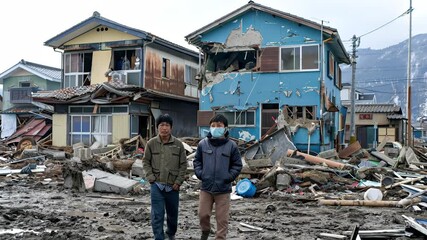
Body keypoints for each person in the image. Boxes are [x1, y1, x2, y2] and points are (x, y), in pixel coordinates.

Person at [193, 114, 243, 240]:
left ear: (225, 128)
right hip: (206, 187)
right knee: (203, 214)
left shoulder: (232, 146)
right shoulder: (202, 144)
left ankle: (220, 238)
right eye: (213, 125)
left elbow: (237, 165)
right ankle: (205, 231)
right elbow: (197, 162)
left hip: (223, 189)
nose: (216, 128)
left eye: (219, 125)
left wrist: (228, 176)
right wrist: (201, 174)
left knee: (222, 220)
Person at [142, 114, 187, 240]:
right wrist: (150, 177)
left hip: (173, 186)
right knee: (157, 215)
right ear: (157, 128)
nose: (164, 128)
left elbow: (183, 165)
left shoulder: (178, 145)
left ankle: (171, 233)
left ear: (171, 128)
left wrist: (178, 182)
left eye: (167, 125)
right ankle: (159, 237)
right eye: (162, 125)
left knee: (173, 215)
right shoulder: (151, 144)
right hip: (157, 185)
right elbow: (145, 162)